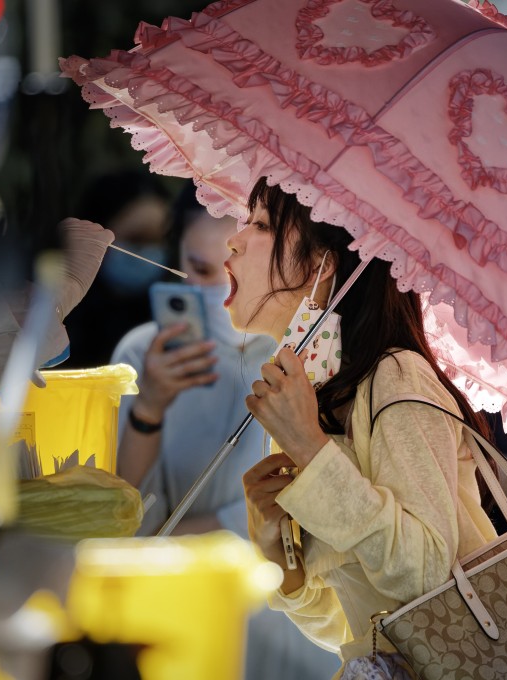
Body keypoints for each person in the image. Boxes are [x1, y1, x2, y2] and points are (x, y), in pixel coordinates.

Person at [235, 178, 499, 679]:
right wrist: (280, 559)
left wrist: (312, 452)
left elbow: (424, 579)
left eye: (262, 225)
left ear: (321, 267)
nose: (234, 239)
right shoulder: (322, 400)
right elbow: (351, 631)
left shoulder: (398, 377)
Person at [111, 185, 340, 679]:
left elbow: (294, 509)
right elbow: (120, 514)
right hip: (178, 625)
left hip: (288, 627)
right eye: (196, 268)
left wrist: (174, 540)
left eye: (226, 273)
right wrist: (148, 407)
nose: (216, 291)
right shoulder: (141, 356)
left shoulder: (303, 360)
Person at [63, 168, 172, 368]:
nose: (150, 254)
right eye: (137, 240)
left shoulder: (170, 325)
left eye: (159, 241)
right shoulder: (54, 316)